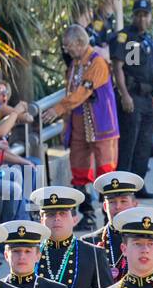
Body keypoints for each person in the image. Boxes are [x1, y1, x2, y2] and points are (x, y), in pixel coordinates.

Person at [42, 25, 119, 230]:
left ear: (79, 42)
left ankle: (109, 218)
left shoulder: (97, 63)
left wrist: (57, 109)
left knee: (105, 174)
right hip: (79, 127)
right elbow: (71, 92)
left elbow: (82, 93)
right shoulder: (75, 65)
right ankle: (87, 216)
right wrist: (65, 127)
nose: (66, 49)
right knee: (79, 171)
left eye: (68, 45)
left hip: (101, 127)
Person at [110, 0, 153, 200]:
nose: (142, 18)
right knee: (129, 143)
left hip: (147, 96)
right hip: (131, 96)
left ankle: (138, 183)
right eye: (138, 14)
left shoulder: (149, 39)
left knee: (143, 144)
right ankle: (123, 188)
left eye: (145, 14)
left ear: (150, 17)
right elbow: (118, 67)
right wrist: (124, 94)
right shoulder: (125, 37)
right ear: (133, 16)